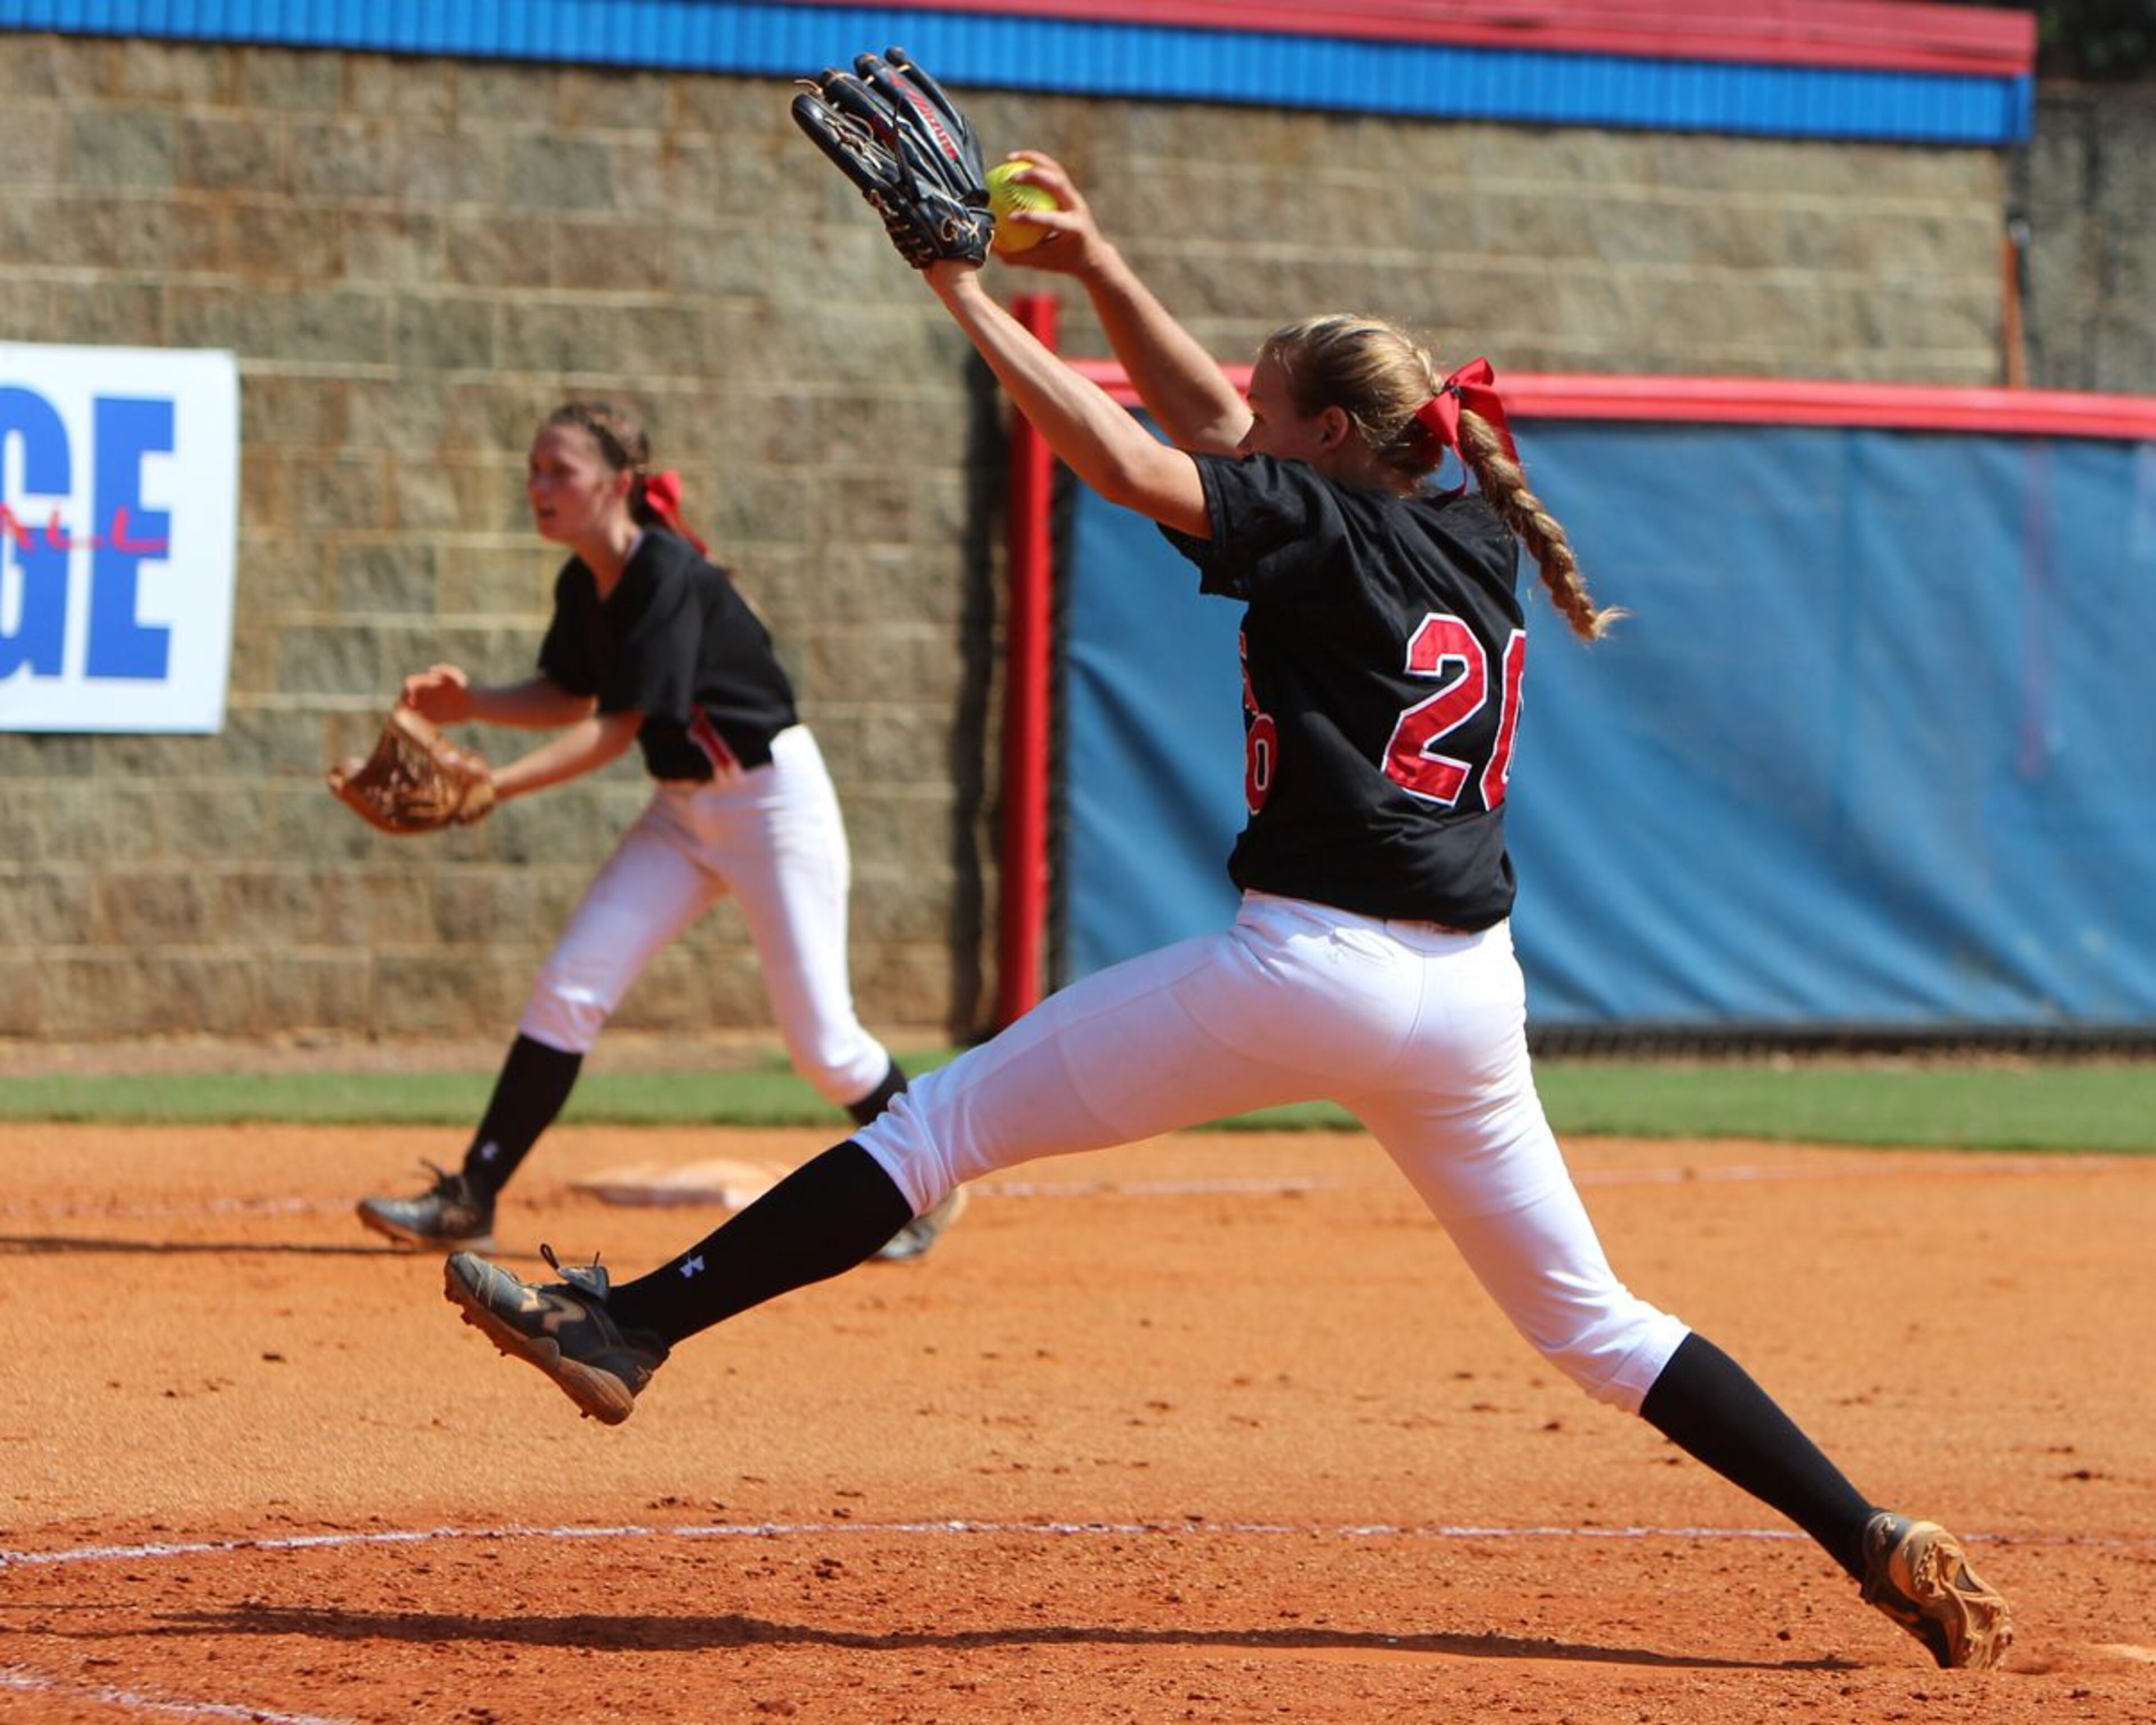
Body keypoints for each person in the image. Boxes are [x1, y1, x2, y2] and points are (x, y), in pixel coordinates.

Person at [439, 159, 2010, 1668]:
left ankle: (629, 1329)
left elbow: (1134, 461)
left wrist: (966, 297)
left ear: (1331, 436)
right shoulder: (1463, 527)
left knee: (931, 1136)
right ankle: (1870, 1532)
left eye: (1274, 415)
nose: (1244, 427)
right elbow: (1211, 426)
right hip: (1467, 998)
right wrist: (1104, 266)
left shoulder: (1320, 532)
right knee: (1598, 1328)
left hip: (1308, 967)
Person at [358, 400, 963, 1264]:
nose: (538, 486)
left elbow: (620, 726)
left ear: (619, 484)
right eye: (533, 469)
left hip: (770, 806)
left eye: (558, 471)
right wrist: (474, 703)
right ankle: (471, 1197)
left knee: (825, 1045)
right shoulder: (585, 581)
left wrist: (495, 784)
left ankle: (929, 1183)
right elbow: (570, 694)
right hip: (684, 812)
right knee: (570, 986)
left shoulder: (666, 573)